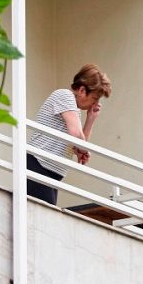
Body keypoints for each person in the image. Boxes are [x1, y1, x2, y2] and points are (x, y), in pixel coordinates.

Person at [26, 64, 111, 205]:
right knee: (45, 219)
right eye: (94, 99)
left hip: (51, 172)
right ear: (82, 90)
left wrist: (90, 119)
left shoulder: (73, 109)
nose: (94, 104)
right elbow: (76, 136)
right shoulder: (65, 96)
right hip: (39, 165)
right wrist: (83, 149)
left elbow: (78, 142)